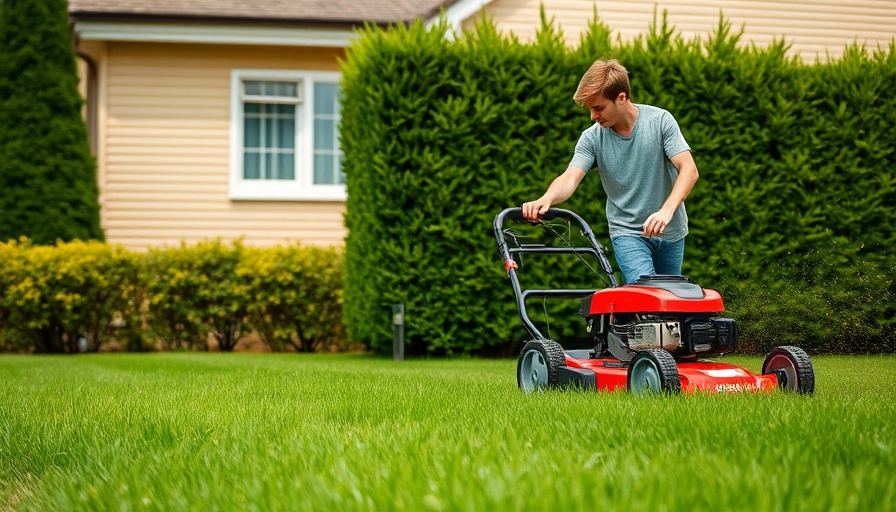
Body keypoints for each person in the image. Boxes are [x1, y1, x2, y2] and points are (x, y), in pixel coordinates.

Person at [522, 59, 699, 285]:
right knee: (646, 292)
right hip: (627, 233)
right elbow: (569, 178)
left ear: (621, 98)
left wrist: (666, 211)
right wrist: (546, 199)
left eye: (598, 108)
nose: (593, 116)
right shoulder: (592, 138)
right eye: (590, 110)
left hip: (671, 231)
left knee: (670, 298)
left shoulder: (660, 121)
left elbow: (689, 170)